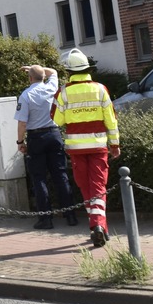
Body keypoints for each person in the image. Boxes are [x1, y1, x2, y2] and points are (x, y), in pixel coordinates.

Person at [53, 48, 120, 248]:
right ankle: (99, 226)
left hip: (76, 149)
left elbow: (57, 120)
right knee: (99, 187)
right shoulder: (100, 89)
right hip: (98, 146)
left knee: (85, 187)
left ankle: (97, 226)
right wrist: (115, 144)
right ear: (87, 69)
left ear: (69, 71)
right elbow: (111, 120)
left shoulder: (63, 92)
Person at [15, 63, 77, 230]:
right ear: (43, 77)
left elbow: (22, 123)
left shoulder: (26, 95)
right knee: (61, 175)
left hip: (36, 137)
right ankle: (70, 215)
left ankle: (46, 219)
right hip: (54, 134)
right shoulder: (51, 86)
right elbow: (54, 72)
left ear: (29, 78)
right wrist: (37, 68)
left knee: (39, 177)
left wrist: (20, 142)